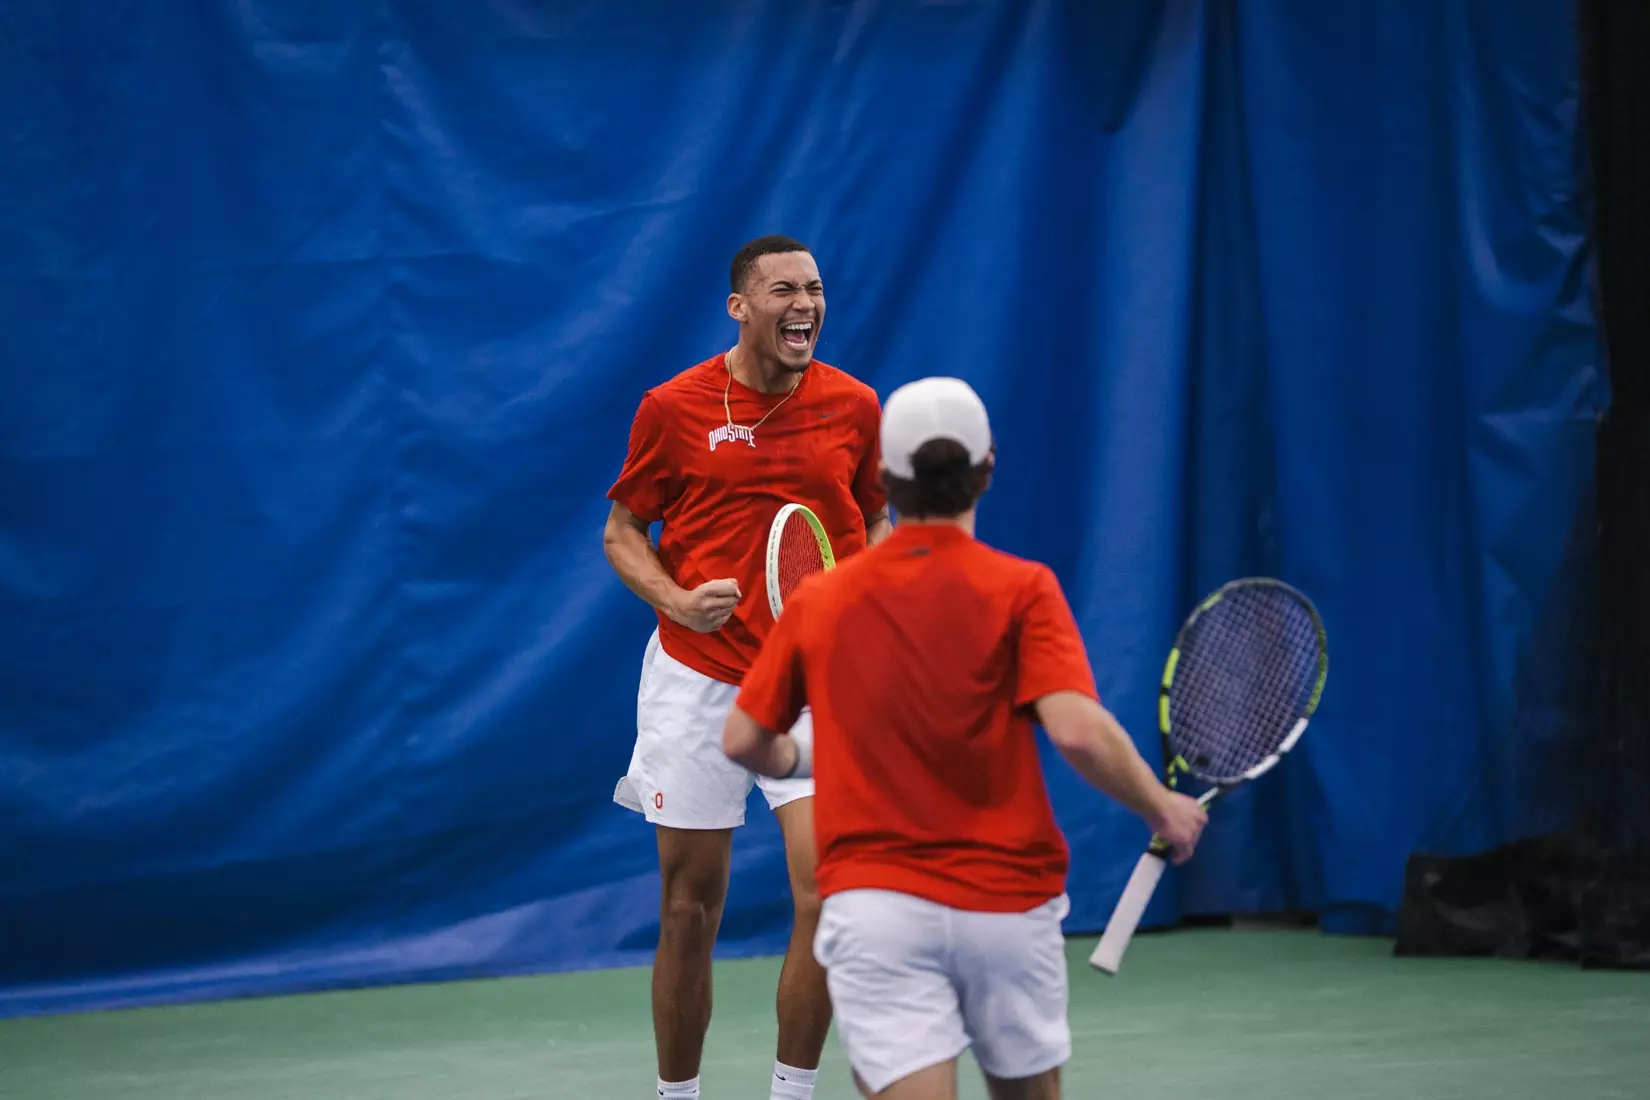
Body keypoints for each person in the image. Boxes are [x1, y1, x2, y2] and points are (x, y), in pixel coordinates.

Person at [721, 377, 1208, 1100]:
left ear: (884, 480)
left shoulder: (823, 597)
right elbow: (1075, 732)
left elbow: (743, 740)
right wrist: (1160, 807)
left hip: (877, 908)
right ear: (987, 470)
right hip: (1006, 907)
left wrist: (792, 754)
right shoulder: (1024, 588)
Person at [604, 235, 892, 1100]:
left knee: (828, 897)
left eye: (813, 288)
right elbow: (623, 533)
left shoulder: (854, 407)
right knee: (690, 909)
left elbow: (877, 524)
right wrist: (677, 600)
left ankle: (791, 1096)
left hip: (814, 687)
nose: (803, 304)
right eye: (781, 291)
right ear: (740, 306)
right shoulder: (674, 406)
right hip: (700, 680)